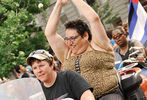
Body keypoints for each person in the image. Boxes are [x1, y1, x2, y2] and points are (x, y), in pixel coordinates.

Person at [44, 0, 124, 99]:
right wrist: (59, 3)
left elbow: (94, 18)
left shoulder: (98, 45)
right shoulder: (67, 53)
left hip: (107, 95)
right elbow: (49, 33)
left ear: (85, 35)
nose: (69, 42)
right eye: (67, 39)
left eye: (73, 38)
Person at [26, 49, 95, 100]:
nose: (39, 71)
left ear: (52, 64)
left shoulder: (68, 76)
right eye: (35, 68)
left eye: (41, 65)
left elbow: (87, 96)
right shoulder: (39, 92)